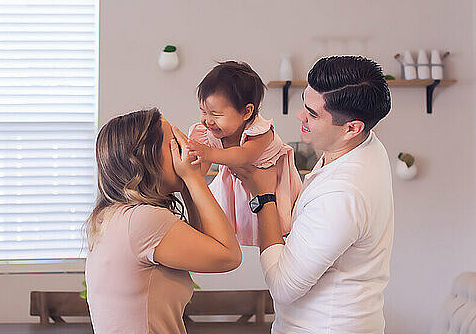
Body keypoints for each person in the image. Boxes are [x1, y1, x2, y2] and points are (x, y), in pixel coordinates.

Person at [232, 55, 394, 334]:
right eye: (304, 105)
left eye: (313, 114)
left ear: (351, 128)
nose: (300, 116)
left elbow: (283, 287)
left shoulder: (342, 194)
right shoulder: (365, 145)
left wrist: (264, 196)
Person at [85, 108, 241, 334]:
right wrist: (194, 178)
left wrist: (191, 181)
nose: (184, 149)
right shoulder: (142, 221)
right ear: (147, 158)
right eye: (173, 144)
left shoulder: (113, 218)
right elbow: (228, 257)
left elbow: (208, 246)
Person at [187, 61, 302, 246]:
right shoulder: (210, 133)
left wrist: (208, 153)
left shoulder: (260, 131)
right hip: (238, 184)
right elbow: (201, 170)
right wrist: (195, 162)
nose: (207, 120)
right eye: (203, 111)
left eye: (215, 114)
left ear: (246, 112)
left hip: (273, 183)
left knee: (275, 226)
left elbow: (244, 157)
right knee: (226, 219)